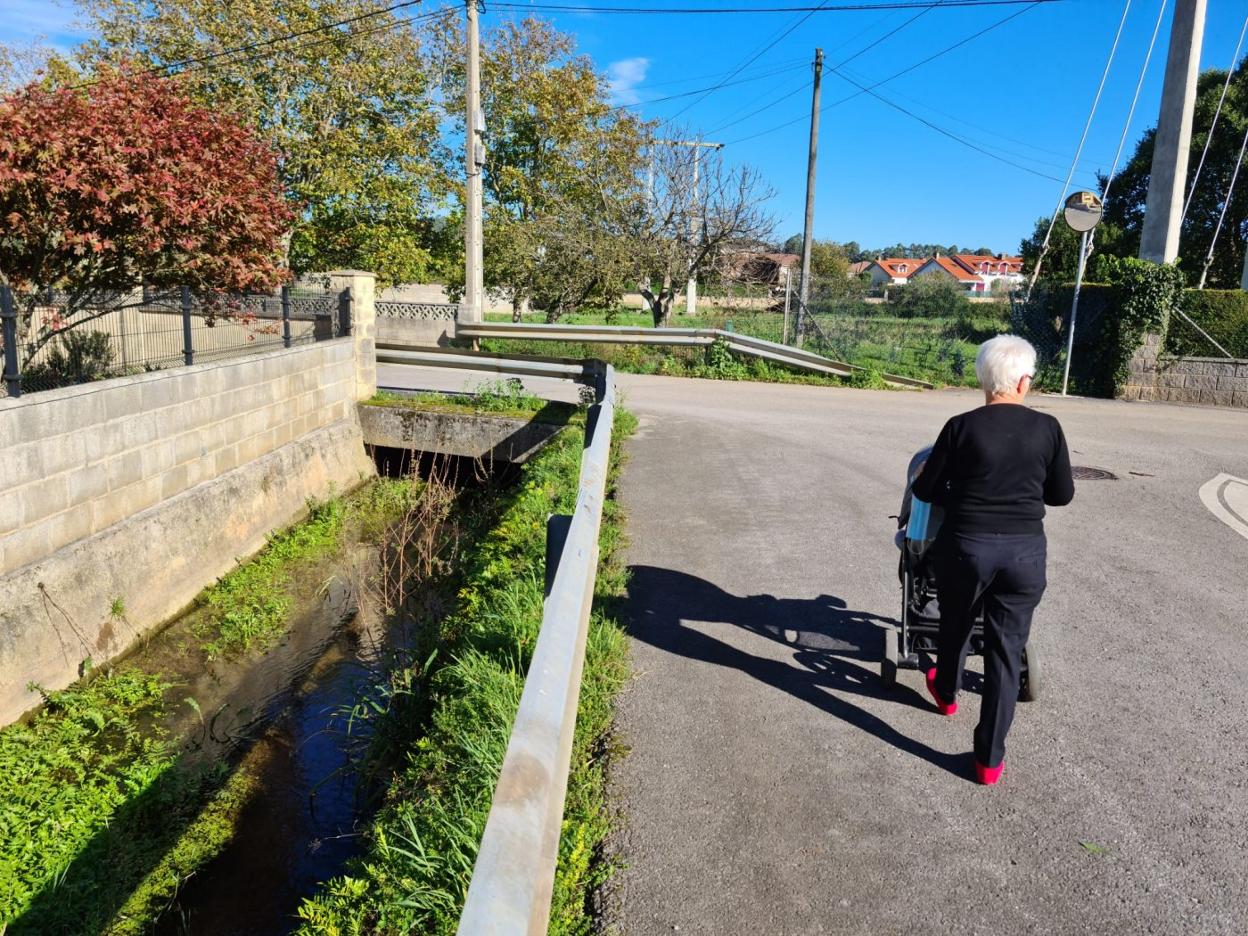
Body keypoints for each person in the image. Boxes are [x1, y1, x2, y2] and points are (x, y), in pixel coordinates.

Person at [911, 335, 1074, 786]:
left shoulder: (960, 427)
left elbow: (925, 493)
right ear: (1024, 382)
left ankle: (945, 694)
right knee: (1006, 651)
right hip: (1023, 553)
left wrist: (941, 482)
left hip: (966, 549)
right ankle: (988, 762)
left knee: (955, 623)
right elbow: (1061, 495)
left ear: (983, 379)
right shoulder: (1049, 429)